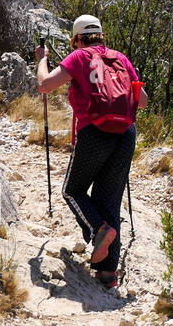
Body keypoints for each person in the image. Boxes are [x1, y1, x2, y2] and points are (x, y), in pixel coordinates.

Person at [36, 15, 146, 289]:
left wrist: (42, 59)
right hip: (126, 135)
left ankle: (99, 230)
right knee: (109, 199)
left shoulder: (78, 57)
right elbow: (142, 101)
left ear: (77, 38)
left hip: (94, 133)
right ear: (101, 35)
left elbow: (44, 85)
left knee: (72, 191)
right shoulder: (120, 58)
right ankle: (108, 274)